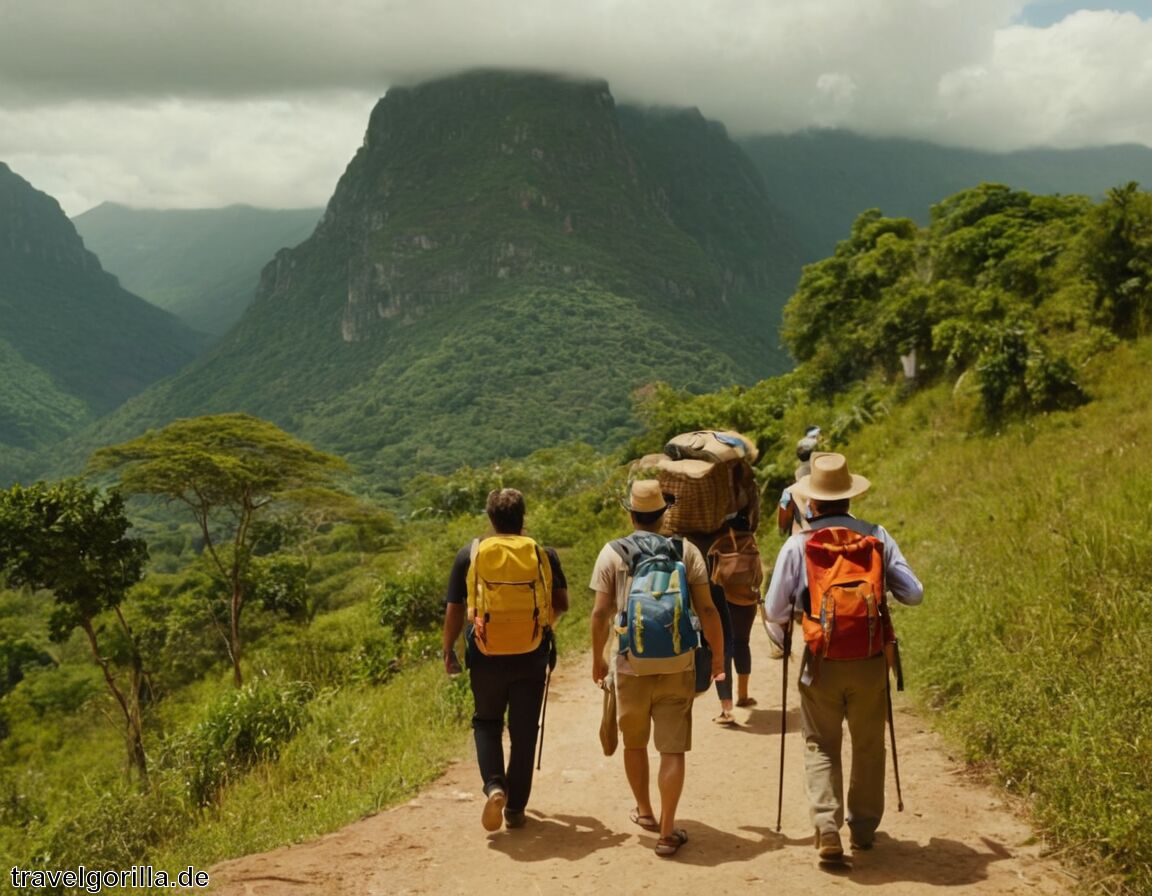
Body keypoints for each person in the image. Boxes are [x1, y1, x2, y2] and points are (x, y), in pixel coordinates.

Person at [763, 453, 923, 860]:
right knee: (869, 743)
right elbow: (913, 593)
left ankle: (827, 826)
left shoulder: (799, 545)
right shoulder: (876, 536)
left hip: (820, 660)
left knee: (819, 742)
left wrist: (783, 642)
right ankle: (864, 828)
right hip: (870, 659)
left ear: (812, 503)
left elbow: (775, 609)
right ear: (849, 498)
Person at [590, 480, 726, 858]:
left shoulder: (612, 553)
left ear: (630, 513)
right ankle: (668, 832)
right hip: (678, 662)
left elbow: (601, 612)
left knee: (634, 742)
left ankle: (646, 812)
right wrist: (716, 656)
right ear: (664, 513)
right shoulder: (686, 551)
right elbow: (708, 609)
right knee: (672, 749)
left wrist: (597, 658)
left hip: (630, 663)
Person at [441, 487, 569, 832]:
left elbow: (455, 610)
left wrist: (448, 648)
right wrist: (540, 629)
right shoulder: (543, 554)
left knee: (487, 723)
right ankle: (515, 809)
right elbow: (562, 603)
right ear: (522, 517)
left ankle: (495, 786)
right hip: (531, 654)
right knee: (525, 732)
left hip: (484, 653)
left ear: (491, 519)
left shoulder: (470, 554)